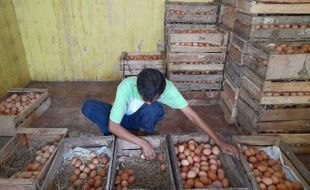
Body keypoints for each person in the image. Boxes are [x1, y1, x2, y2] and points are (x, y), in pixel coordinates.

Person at [82, 68, 238, 160]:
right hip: (120, 117)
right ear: (138, 87)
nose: (149, 101)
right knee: (89, 106)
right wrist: (143, 144)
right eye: (146, 98)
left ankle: (139, 133)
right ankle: (130, 137)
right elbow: (113, 125)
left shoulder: (168, 88)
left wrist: (219, 141)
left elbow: (192, 115)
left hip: (137, 119)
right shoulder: (126, 86)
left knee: (153, 109)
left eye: (154, 98)